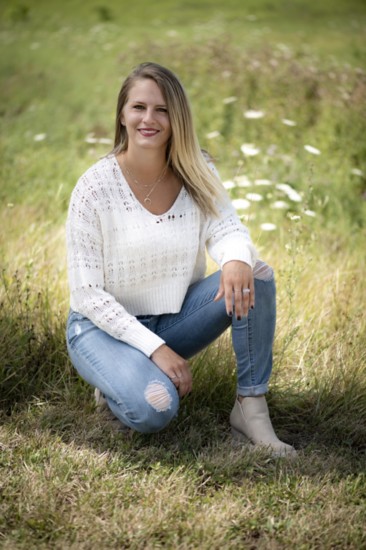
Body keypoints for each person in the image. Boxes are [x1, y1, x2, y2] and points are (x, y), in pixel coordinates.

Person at [66, 62, 295, 457]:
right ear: (122, 114)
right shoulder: (94, 188)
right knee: (156, 409)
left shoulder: (196, 169)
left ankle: (250, 407)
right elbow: (87, 295)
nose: (149, 119)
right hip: (100, 329)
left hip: (174, 318)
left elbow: (227, 229)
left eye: (162, 110)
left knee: (254, 274)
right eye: (139, 107)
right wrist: (154, 349)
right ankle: (118, 379)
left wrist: (236, 257)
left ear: (177, 118)